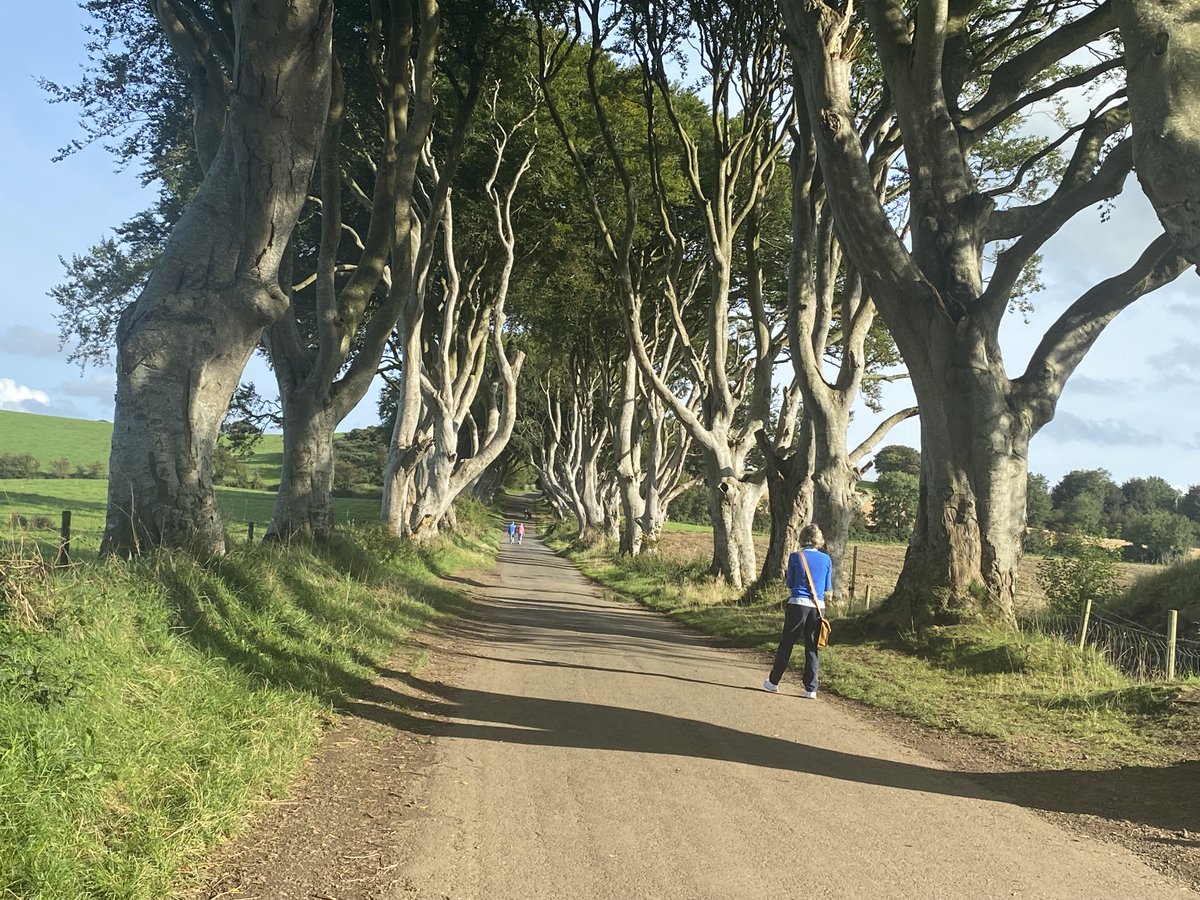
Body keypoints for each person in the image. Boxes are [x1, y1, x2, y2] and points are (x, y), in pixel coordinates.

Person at [763, 523, 833, 699]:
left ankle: (773, 681)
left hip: (797, 604)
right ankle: (811, 688)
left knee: (787, 643)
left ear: (802, 539)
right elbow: (826, 587)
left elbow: (790, 583)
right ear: (819, 540)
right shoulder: (827, 560)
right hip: (818, 607)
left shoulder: (795, 557)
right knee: (812, 647)